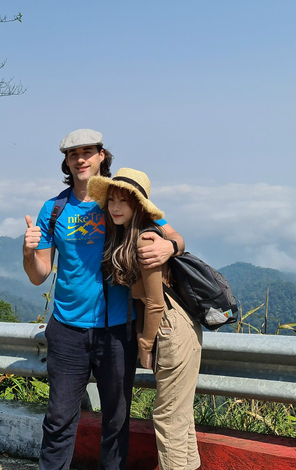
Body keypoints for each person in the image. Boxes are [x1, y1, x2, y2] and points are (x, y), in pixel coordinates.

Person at [22, 129, 185, 470]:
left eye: (87, 152)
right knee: (59, 419)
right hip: (67, 329)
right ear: (66, 162)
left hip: (117, 329)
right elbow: (39, 274)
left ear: (102, 156)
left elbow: (174, 237)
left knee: (116, 421)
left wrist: (170, 246)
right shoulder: (54, 209)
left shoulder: (122, 198)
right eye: (72, 154)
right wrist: (27, 252)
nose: (80, 159)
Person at [88, 168, 202, 470]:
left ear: (137, 205)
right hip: (173, 327)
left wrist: (145, 344)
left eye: (123, 201)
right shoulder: (129, 235)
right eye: (111, 200)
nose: (115, 207)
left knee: (168, 416)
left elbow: (153, 303)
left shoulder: (146, 239)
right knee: (180, 414)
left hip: (169, 329)